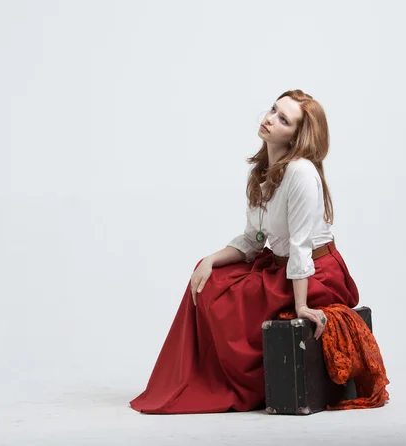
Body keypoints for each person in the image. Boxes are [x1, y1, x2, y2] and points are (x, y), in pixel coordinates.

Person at [129, 89, 360, 414]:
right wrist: (209, 259)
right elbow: (255, 239)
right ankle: (198, 378)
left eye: (283, 119)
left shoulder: (301, 172)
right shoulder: (263, 173)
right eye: (272, 110)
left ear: (296, 137)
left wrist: (302, 306)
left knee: (231, 306)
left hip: (315, 273)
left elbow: (301, 247)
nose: (269, 119)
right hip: (283, 268)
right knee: (209, 280)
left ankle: (234, 385)